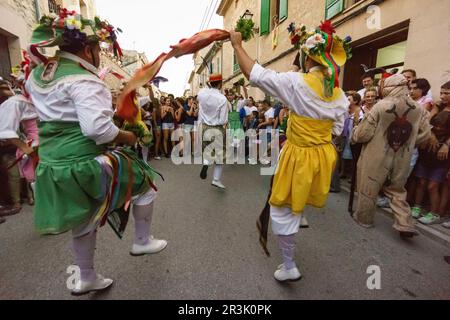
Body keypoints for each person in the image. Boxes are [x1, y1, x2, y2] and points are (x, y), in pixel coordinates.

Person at [25, 11, 167, 295]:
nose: (100, 56)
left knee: (84, 219)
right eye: (99, 50)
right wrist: (130, 135)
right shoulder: (85, 80)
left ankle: (85, 277)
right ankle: (141, 240)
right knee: (146, 183)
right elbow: (98, 131)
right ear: (88, 49)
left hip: (53, 164)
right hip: (83, 163)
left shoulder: (38, 75)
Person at [230, 20, 351, 282]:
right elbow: (337, 131)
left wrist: (237, 45)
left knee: (280, 211)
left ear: (307, 58)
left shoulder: (297, 82)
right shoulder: (341, 96)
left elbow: (255, 73)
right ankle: (301, 210)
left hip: (300, 155)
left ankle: (289, 266)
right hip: (323, 155)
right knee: (298, 193)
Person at [351, 73, 432, 238]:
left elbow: (364, 134)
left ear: (388, 87)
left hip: (376, 155)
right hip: (403, 155)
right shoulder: (419, 109)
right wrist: (410, 142)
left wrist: (354, 134)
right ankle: (404, 222)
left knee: (368, 186)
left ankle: (364, 219)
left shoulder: (381, 106)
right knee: (397, 189)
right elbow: (425, 134)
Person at [411, 81, 450, 225]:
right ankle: (417, 207)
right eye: (441, 93)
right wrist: (431, 135)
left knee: (433, 185)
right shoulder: (437, 107)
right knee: (421, 181)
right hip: (428, 148)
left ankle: (434, 213)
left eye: (447, 93)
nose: (443, 96)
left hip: (443, 153)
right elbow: (427, 121)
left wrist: (446, 144)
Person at [198, 74, 228, 189]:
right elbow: (223, 120)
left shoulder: (202, 95)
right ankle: (216, 179)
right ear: (220, 83)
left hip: (205, 127)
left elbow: (203, 92)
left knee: (208, 151)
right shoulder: (222, 99)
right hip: (217, 128)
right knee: (220, 156)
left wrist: (208, 87)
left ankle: (206, 163)